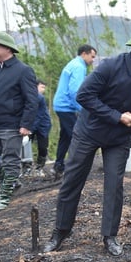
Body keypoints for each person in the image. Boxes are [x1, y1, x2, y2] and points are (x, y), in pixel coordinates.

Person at [43, 25, 131, 256]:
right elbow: (84, 95)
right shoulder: (111, 67)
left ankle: (109, 236)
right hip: (89, 131)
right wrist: (116, 116)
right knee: (72, 181)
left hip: (119, 139)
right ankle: (60, 231)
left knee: (114, 185)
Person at [0, 31, 38, 212]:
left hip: (12, 125)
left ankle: (5, 196)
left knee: (10, 160)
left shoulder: (23, 70)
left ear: (7, 48)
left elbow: (32, 100)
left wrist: (26, 124)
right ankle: (11, 182)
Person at [52, 44, 97, 179]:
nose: (93, 60)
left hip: (61, 105)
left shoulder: (73, 63)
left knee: (65, 137)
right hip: (67, 106)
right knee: (77, 137)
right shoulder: (79, 67)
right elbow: (75, 91)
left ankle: (59, 166)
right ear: (84, 54)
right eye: (92, 56)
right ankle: (74, 169)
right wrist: (83, 109)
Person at [29, 79, 52, 176]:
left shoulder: (40, 98)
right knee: (24, 146)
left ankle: (39, 168)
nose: (43, 90)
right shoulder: (29, 96)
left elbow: (40, 116)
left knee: (43, 148)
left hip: (42, 126)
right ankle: (26, 168)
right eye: (42, 87)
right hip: (30, 125)